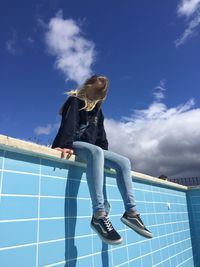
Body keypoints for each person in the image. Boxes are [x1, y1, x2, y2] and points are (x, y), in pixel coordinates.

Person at [51, 75, 153, 245]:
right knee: (96, 151)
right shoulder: (75, 100)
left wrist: (103, 157)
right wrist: (65, 144)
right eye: (96, 90)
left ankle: (131, 213)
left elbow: (100, 135)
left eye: (101, 93)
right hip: (73, 143)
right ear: (88, 86)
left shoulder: (98, 109)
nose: (97, 95)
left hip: (93, 150)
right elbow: (68, 123)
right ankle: (99, 216)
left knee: (124, 162)